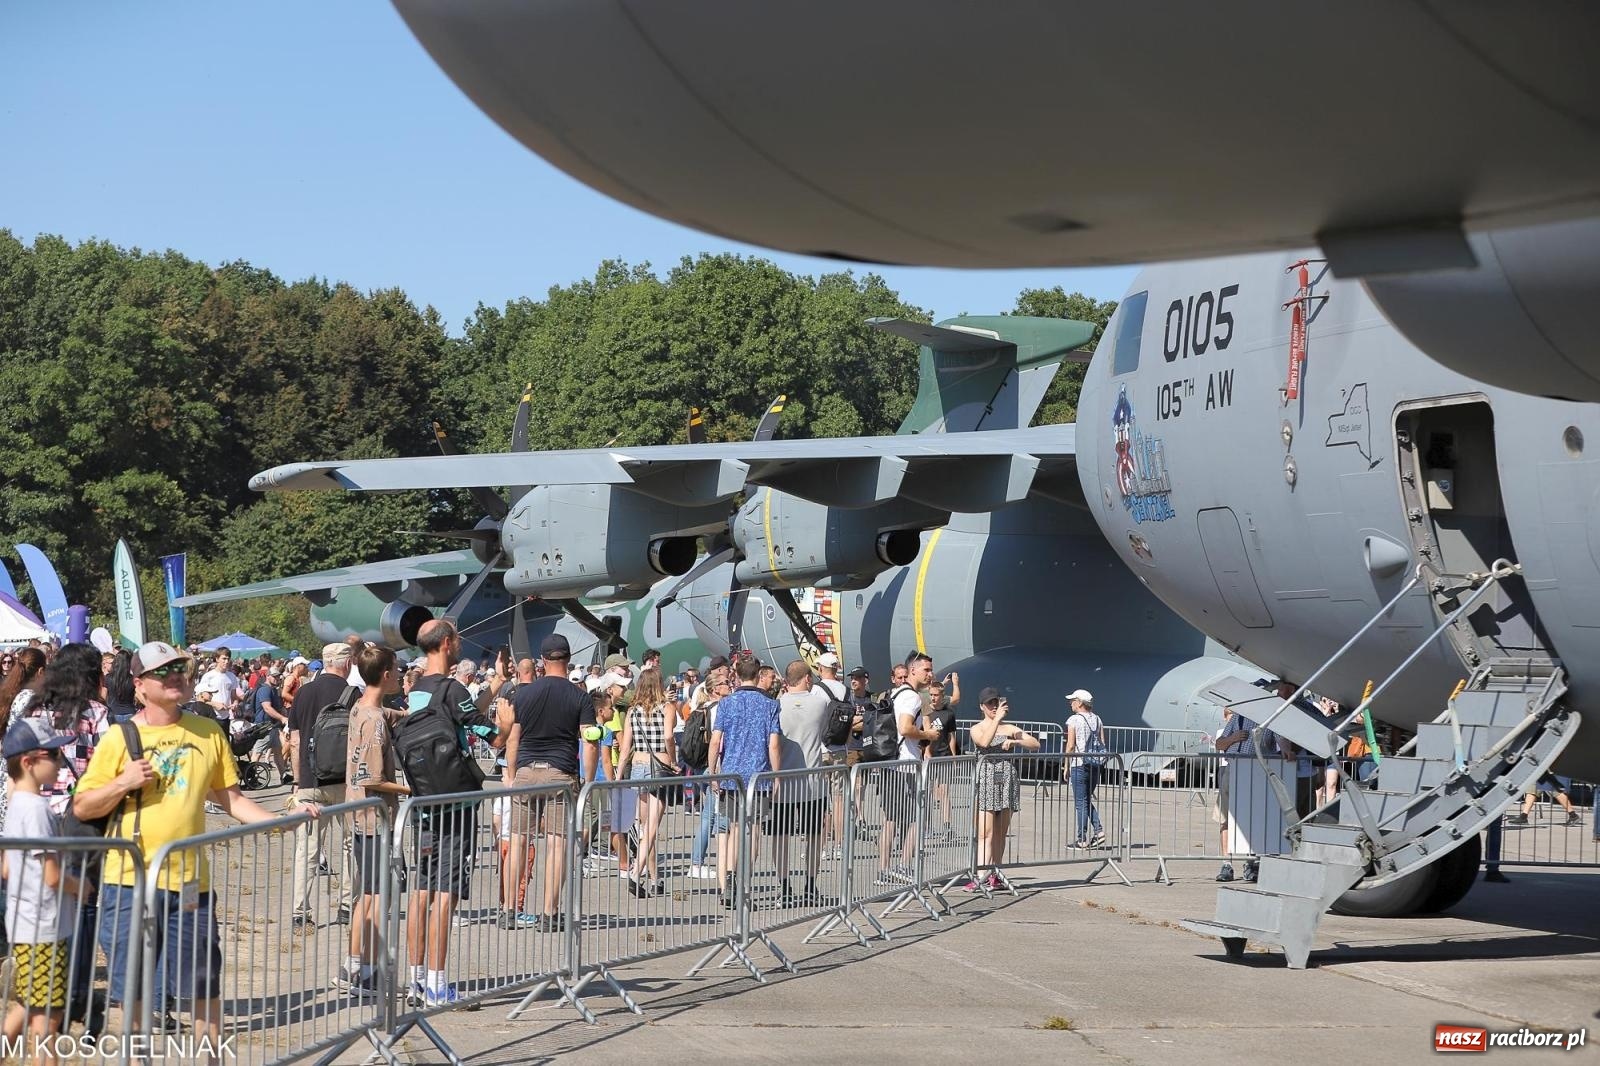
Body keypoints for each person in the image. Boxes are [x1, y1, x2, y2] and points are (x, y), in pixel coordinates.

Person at [74, 641, 318, 1045]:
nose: (175, 677)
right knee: (132, 996)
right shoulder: (120, 738)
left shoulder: (207, 732)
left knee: (204, 990)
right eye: (162, 671)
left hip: (190, 884)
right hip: (128, 883)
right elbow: (83, 806)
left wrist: (283, 821)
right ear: (139, 685)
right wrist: (123, 782)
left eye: (180, 670)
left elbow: (233, 800)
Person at [402, 619, 504, 1006]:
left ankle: (415, 979)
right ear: (447, 644)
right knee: (446, 893)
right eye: (456, 639)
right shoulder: (453, 687)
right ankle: (438, 983)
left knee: (423, 890)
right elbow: (488, 733)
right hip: (456, 801)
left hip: (424, 801)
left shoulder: (415, 689)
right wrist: (508, 726)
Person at [22, 643, 110, 1029]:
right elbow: (108, 763)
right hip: (81, 818)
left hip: (40, 816)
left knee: (44, 903)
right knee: (85, 903)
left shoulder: (34, 711)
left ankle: (43, 988)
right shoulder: (96, 714)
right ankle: (76, 992)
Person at [500, 634, 599, 932]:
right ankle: (548, 913)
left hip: (527, 772)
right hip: (561, 772)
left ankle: (507, 910)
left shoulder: (524, 693)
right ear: (567, 660)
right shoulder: (580, 696)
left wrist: (511, 774)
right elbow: (590, 742)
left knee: (518, 841)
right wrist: (588, 781)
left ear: (543, 661)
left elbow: (513, 739)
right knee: (557, 844)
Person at [2, 718, 84, 1061]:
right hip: (44, 927)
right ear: (29, 762)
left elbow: (5, 867)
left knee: (26, 1006)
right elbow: (52, 876)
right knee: (47, 1020)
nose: (60, 760)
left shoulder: (15, 805)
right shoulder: (36, 810)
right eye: (53, 753)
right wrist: (81, 886)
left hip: (26, 924)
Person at [341, 645, 409, 998]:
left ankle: (354, 964)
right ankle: (367, 971)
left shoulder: (361, 708)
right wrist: (409, 788)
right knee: (377, 896)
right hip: (374, 816)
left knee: (367, 894)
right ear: (386, 674)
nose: (399, 675)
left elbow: (379, 710)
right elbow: (373, 777)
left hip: (359, 814)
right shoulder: (374, 721)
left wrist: (403, 713)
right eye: (397, 670)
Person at [286, 643, 359, 931]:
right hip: (344, 782)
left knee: (308, 849)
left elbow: (294, 740)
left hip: (309, 780)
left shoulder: (303, 693)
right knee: (350, 845)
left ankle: (300, 912)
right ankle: (345, 905)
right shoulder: (353, 695)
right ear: (348, 663)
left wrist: (296, 779)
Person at [707, 655, 781, 908]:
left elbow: (716, 740)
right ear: (759, 675)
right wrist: (776, 775)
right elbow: (773, 744)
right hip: (758, 777)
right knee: (753, 832)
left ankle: (728, 881)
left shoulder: (727, 704)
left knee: (734, 830)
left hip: (731, 775)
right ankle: (743, 884)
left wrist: (712, 770)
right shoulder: (770, 705)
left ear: (736, 675)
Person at [968, 688, 1038, 890]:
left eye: (996, 703)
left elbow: (1035, 743)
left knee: (1000, 832)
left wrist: (1016, 740)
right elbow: (983, 742)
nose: (993, 707)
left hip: (1007, 781)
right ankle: (981, 874)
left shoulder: (1009, 728)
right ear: (982, 706)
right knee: (985, 832)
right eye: (990, 704)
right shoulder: (977, 728)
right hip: (987, 780)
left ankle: (995, 873)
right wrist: (996, 721)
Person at [877, 653, 938, 886]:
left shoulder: (895, 693)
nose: (930, 674)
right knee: (915, 817)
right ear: (913, 671)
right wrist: (927, 735)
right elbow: (905, 728)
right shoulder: (911, 697)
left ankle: (884, 869)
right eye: (926, 670)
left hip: (890, 761)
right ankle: (902, 865)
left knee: (891, 818)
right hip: (904, 764)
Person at [616, 667, 678, 897]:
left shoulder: (633, 711)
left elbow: (625, 749)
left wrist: (618, 775)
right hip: (660, 767)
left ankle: (655, 878)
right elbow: (669, 736)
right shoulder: (668, 708)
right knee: (652, 827)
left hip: (638, 767)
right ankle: (636, 872)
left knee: (646, 829)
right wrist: (674, 761)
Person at [774, 659, 831, 906]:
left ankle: (784, 886)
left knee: (781, 836)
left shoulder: (776, 705)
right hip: (813, 780)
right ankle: (810, 883)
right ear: (808, 678)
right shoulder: (820, 703)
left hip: (783, 781)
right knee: (814, 836)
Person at [1208, 704, 1259, 883]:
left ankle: (1251, 863)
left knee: (1251, 820)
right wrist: (1234, 738)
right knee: (1225, 818)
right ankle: (1226, 864)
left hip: (1254, 772)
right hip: (1231, 770)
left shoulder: (1265, 719)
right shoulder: (1237, 718)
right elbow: (1219, 743)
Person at [1064, 689, 1107, 848]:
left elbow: (1070, 745)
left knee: (1080, 803)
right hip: (1095, 764)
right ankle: (1099, 831)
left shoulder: (1074, 720)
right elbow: (1102, 742)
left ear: (1080, 702)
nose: (1071, 703)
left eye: (1073, 700)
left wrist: (1065, 765)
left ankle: (1082, 839)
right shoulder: (1097, 719)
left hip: (1079, 764)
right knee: (1086, 800)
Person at [1506, 774, 1582, 826]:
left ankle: (1573, 815)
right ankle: (1523, 817)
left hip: (1547, 767)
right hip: (1541, 767)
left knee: (1555, 791)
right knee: (1532, 790)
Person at [193, 648, 243, 719]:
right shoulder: (208, 676)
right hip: (211, 716)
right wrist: (215, 704)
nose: (226, 661)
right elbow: (199, 698)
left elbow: (233, 696)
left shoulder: (232, 676)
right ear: (217, 659)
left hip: (226, 716)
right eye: (224, 659)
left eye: (228, 659)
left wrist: (235, 704)